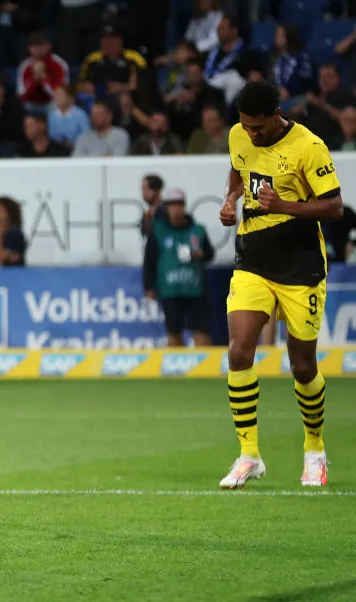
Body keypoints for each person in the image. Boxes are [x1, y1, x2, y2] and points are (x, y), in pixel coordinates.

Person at [218, 80, 342, 490]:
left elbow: (335, 207)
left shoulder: (309, 146)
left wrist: (285, 205)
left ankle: (315, 450)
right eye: (245, 126)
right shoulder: (240, 134)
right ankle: (249, 454)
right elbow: (239, 168)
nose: (251, 134)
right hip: (253, 258)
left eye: (258, 127)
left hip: (299, 263)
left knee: (302, 365)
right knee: (239, 350)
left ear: (277, 114)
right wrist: (231, 198)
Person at [143, 188, 214, 347]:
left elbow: (210, 254)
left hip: (194, 289)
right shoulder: (158, 230)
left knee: (201, 330)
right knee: (174, 331)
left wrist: (201, 254)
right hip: (170, 290)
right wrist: (148, 286)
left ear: (184, 206)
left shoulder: (197, 230)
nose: (176, 208)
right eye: (172, 204)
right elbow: (149, 260)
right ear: (167, 207)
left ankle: (205, 368)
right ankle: (177, 368)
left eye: (179, 204)